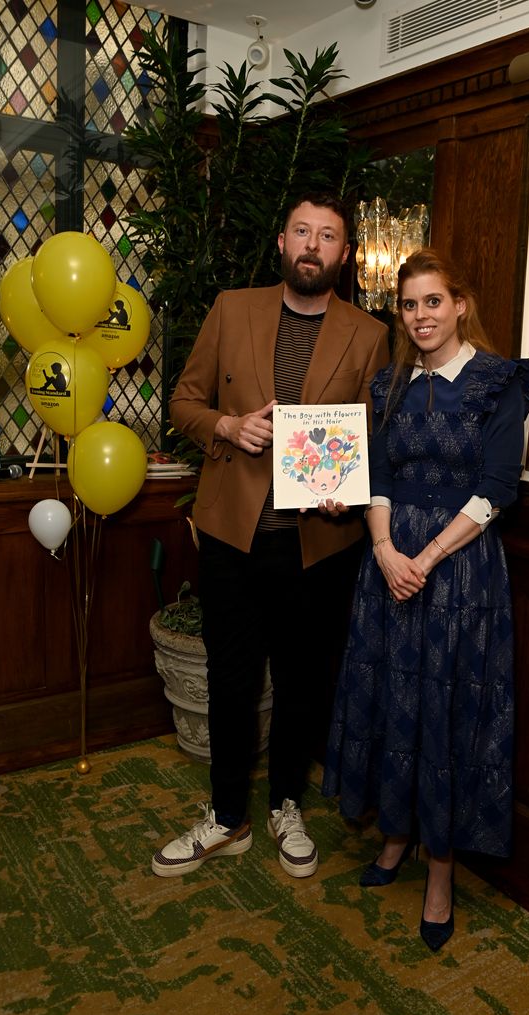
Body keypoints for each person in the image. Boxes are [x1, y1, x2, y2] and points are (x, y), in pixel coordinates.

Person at [152, 193, 389, 881]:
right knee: (230, 680)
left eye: (328, 236)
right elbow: (183, 401)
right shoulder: (232, 309)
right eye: (301, 232)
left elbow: (371, 442)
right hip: (233, 532)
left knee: (302, 682)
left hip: (319, 543)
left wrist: (352, 481)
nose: (312, 245)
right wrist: (227, 426)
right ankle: (226, 817)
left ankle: (285, 802)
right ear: (281, 243)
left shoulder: (368, 334)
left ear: (343, 255)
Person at [323, 248, 529, 950]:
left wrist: (424, 557)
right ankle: (395, 836)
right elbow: (376, 477)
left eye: (432, 302)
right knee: (393, 701)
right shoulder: (387, 385)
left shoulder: (500, 382)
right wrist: (385, 553)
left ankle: (440, 871)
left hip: (460, 571)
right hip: (388, 568)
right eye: (408, 306)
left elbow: (497, 487)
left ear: (460, 304)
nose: (419, 316)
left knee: (444, 714)